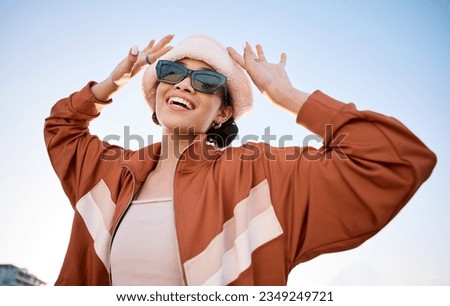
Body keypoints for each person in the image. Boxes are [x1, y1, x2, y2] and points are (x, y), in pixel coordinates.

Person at [44, 34, 436, 286]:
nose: (184, 83)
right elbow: (61, 127)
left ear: (222, 114)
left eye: (207, 81)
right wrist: (112, 82)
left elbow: (395, 158)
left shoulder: (258, 175)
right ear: (157, 91)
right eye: (173, 71)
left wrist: (286, 96)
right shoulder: (110, 172)